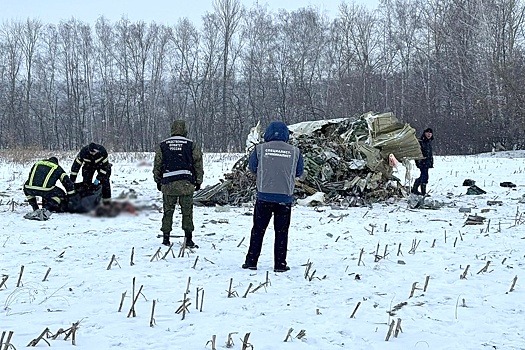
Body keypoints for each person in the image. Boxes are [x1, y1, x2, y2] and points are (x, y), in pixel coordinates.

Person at [242, 121, 304, 273]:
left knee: (258, 230)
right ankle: (280, 264)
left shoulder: (260, 149)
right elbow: (299, 172)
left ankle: (251, 261)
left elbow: (252, 168)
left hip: (264, 196)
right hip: (285, 198)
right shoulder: (295, 151)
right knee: (282, 232)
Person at [153, 120, 204, 247]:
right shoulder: (191, 145)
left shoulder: (163, 145)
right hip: (186, 184)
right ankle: (188, 239)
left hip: (168, 184)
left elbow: (157, 164)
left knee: (168, 211)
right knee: (187, 212)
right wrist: (198, 181)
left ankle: (166, 238)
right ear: (184, 130)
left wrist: (158, 180)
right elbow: (198, 163)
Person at [412, 128, 434, 196]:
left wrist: (431, 162)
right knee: (425, 177)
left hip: (427, 162)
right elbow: (417, 152)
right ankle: (423, 192)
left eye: (430, 133)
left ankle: (415, 189)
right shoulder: (421, 142)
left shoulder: (428, 142)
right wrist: (418, 161)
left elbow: (429, 153)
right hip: (422, 162)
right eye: (427, 132)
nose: (429, 134)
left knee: (423, 176)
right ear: (424, 133)